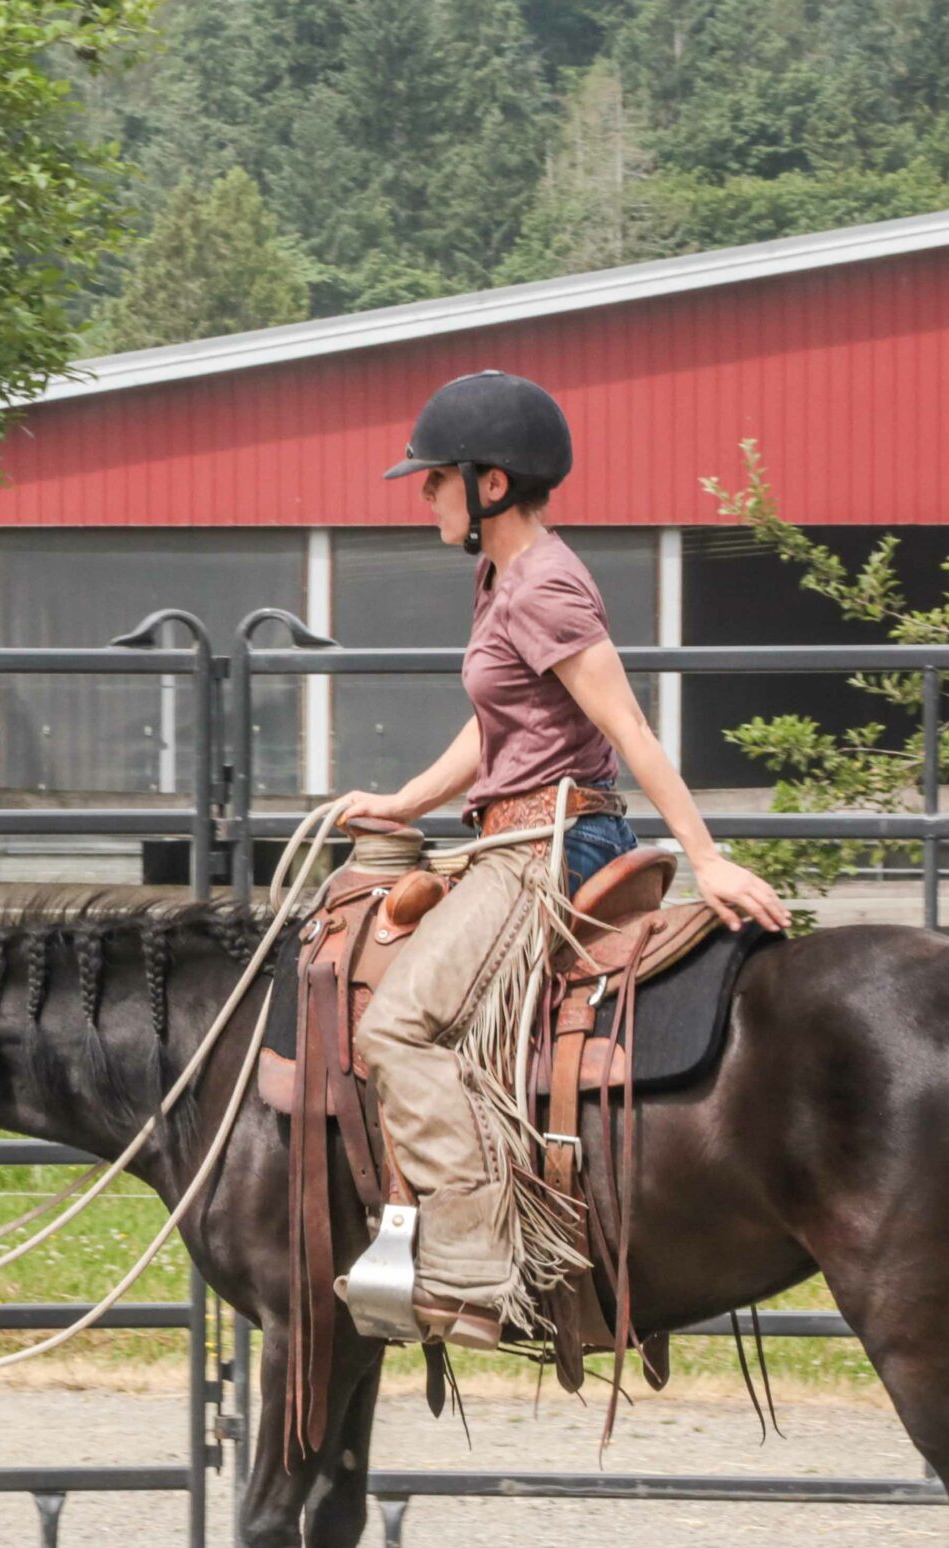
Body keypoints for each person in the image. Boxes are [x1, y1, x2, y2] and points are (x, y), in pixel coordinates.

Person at [334, 370, 792, 1350]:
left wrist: (705, 857)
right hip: (508, 830)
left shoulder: (546, 582)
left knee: (400, 1029)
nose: (423, 493)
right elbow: (497, 723)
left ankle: (478, 1264)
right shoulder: (501, 576)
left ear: (488, 484)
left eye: (434, 478)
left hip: (542, 849)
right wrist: (406, 802)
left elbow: (621, 719)